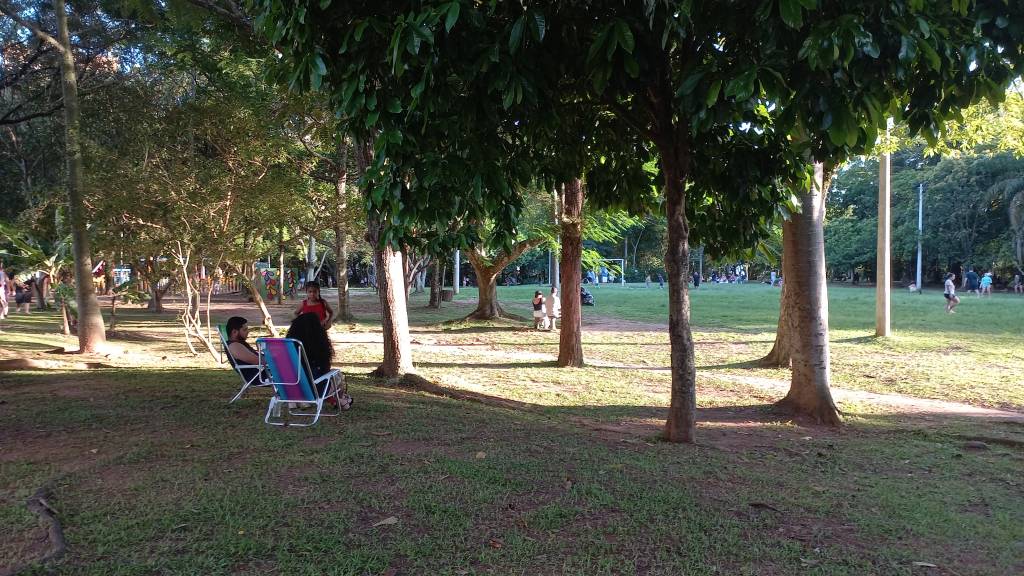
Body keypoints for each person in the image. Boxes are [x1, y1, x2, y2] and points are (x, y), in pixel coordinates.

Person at [286, 313, 352, 408]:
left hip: (290, 389)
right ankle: (342, 399)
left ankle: (342, 400)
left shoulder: (288, 349)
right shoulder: (318, 348)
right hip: (315, 391)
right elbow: (325, 370)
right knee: (337, 375)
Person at [225, 316, 262, 383]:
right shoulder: (234, 346)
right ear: (234, 332)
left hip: (263, 373)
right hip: (259, 376)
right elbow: (258, 361)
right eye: (244, 330)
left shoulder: (240, 343)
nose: (248, 332)